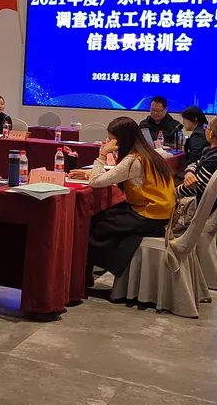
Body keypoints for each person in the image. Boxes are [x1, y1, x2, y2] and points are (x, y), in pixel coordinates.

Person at [71, 116, 175, 284]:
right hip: (158, 211)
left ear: (121, 140)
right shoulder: (146, 153)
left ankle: (86, 276)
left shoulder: (133, 160)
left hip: (149, 216)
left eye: (111, 140)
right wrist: (88, 173)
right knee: (105, 215)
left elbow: (95, 182)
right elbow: (115, 175)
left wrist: (103, 154)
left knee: (94, 222)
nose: (108, 143)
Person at [176, 115, 217, 208]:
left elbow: (192, 188)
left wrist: (172, 193)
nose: (205, 129)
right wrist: (189, 173)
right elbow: (196, 163)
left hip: (198, 206)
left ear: (211, 133)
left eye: (207, 127)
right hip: (205, 200)